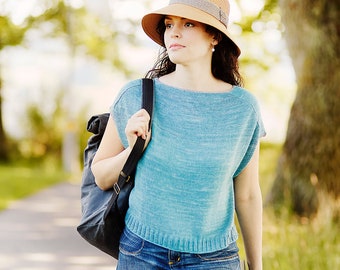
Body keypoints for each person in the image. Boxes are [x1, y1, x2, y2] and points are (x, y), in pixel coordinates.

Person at [92, 0, 265, 269]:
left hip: (215, 259)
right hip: (142, 253)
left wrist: (256, 264)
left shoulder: (243, 109)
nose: (173, 32)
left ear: (215, 36)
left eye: (188, 24)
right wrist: (133, 149)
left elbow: (248, 195)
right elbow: (101, 177)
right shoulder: (136, 96)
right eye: (170, 24)